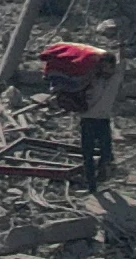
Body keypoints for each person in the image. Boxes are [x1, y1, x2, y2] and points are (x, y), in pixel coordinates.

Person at [37, 39, 123, 188]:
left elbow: (122, 62)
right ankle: (91, 185)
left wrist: (120, 47)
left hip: (103, 120)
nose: (105, 70)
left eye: (108, 66)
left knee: (106, 153)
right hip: (88, 119)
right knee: (87, 154)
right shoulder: (88, 79)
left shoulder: (115, 78)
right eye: (102, 66)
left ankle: (102, 172)